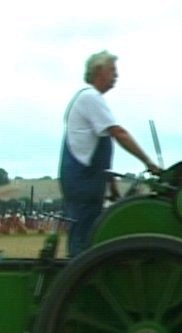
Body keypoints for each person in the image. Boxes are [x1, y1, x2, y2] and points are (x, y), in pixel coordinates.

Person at [59, 50, 161, 258]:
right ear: (99, 71)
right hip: (83, 183)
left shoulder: (88, 99)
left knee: (87, 238)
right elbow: (119, 133)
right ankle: (76, 281)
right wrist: (150, 163)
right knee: (82, 243)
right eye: (112, 70)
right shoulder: (91, 97)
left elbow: (96, 152)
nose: (116, 75)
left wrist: (112, 185)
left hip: (84, 182)